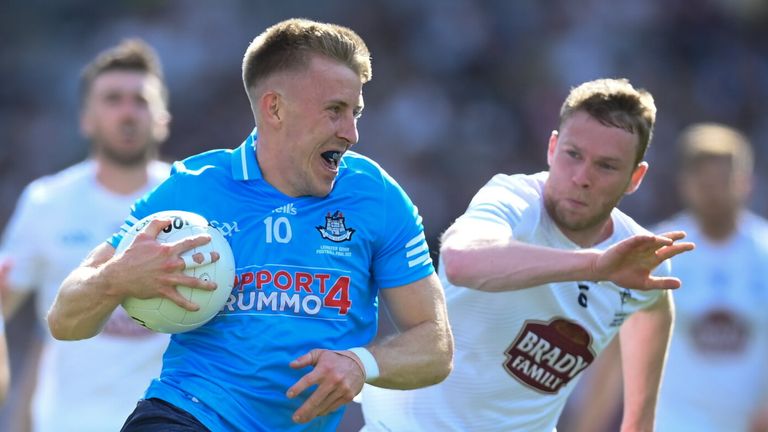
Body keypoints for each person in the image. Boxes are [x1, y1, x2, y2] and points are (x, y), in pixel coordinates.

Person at [47, 18, 454, 432]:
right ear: (274, 107)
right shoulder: (191, 190)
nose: (351, 133)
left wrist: (361, 362)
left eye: (356, 113)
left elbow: (435, 346)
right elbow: (65, 320)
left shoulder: (377, 197)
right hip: (186, 413)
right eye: (334, 111)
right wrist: (116, 277)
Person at [361, 78, 695, 431]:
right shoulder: (512, 199)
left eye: (607, 166)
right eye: (573, 155)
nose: (582, 177)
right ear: (552, 148)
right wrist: (595, 265)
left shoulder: (635, 254)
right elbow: (460, 260)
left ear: (635, 177)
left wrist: (638, 422)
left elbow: (654, 306)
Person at [0, 39, 172, 431]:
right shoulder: (47, 202)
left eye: (140, 100)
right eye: (113, 99)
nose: (127, 112)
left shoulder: (194, 203)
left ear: (163, 117)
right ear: (86, 118)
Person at [578, 123, 768, 432]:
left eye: (723, 181)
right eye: (705, 182)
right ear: (686, 184)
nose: (714, 192)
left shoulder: (764, 255)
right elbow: (614, 352)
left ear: (746, 182)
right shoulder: (655, 252)